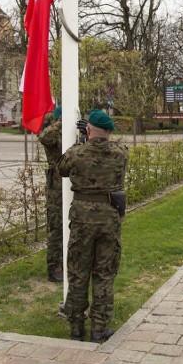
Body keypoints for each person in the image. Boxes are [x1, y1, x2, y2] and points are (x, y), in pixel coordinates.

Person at [57, 109, 128, 343]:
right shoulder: (120, 154)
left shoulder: (76, 154)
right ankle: (100, 329)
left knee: (78, 273)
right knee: (104, 274)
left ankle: (76, 328)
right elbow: (113, 148)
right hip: (109, 219)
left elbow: (62, 169)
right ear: (109, 131)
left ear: (87, 130)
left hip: (82, 220)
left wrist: (81, 142)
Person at [37, 105, 63, 282]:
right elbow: (44, 138)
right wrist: (60, 123)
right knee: (56, 227)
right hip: (57, 187)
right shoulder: (53, 132)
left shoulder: (74, 131)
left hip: (74, 183)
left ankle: (70, 262)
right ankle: (54, 267)